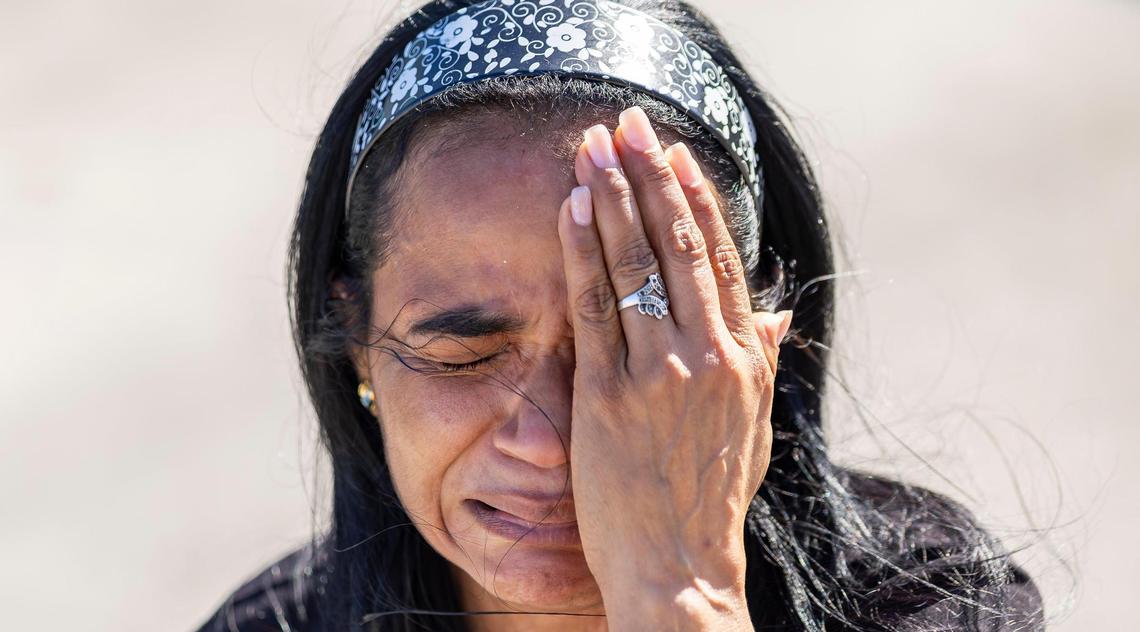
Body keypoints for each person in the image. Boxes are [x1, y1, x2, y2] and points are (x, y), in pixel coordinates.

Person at [196, 0, 1045, 630]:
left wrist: (680, 591)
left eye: (640, 345)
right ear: (355, 349)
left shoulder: (927, 602)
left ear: (758, 347)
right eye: (463, 356)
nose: (551, 441)